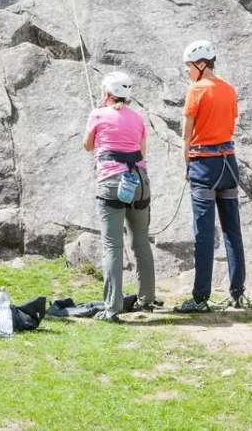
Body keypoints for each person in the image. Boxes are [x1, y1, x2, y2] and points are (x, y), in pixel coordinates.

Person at [174, 40, 246, 313]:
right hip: (229, 163)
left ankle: (200, 297)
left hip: (204, 165)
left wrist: (186, 167)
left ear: (201, 65)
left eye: (190, 66)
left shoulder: (195, 90)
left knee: (203, 234)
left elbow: (186, 135)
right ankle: (237, 293)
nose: (188, 71)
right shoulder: (229, 89)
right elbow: (229, 124)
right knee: (232, 231)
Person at [83, 71, 156, 322]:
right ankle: (147, 299)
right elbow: (142, 151)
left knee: (113, 245)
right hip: (140, 183)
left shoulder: (98, 114)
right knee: (141, 243)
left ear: (107, 93)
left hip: (112, 183)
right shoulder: (137, 119)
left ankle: (112, 307)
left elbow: (88, 145)